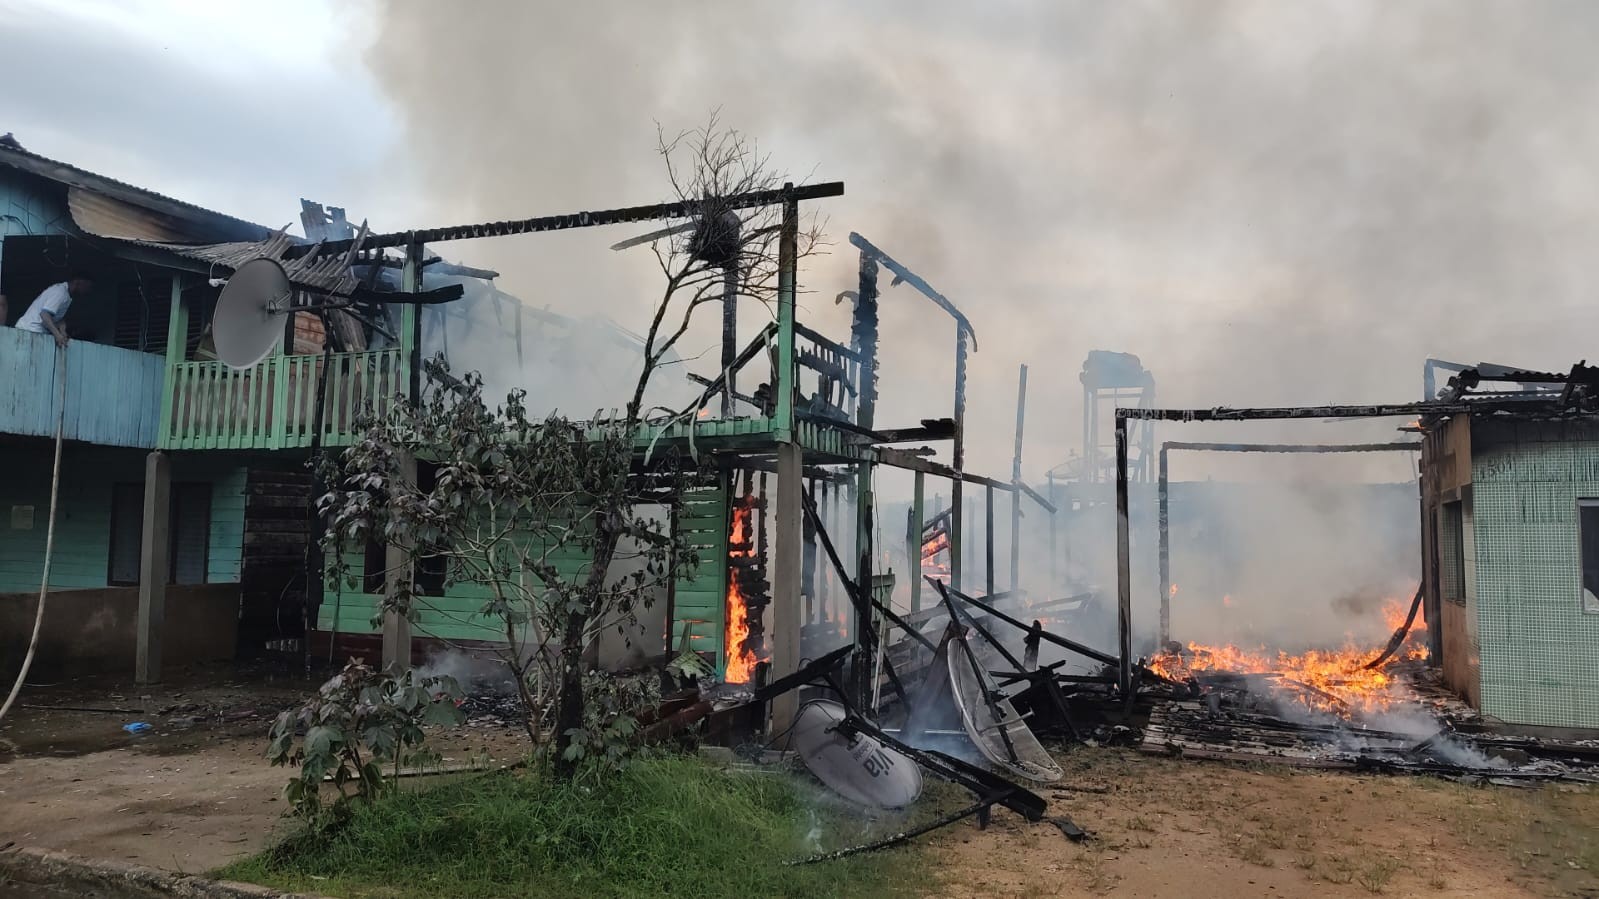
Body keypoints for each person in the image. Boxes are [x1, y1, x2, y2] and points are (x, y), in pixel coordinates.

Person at [15, 273, 92, 348]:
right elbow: (44, 315)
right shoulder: (60, 292)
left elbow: (54, 317)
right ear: (78, 282)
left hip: (35, 331)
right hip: (29, 331)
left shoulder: (67, 295)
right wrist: (58, 335)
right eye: (87, 286)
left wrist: (62, 329)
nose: (87, 290)